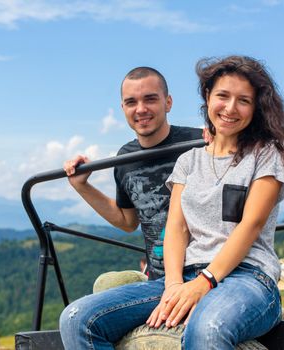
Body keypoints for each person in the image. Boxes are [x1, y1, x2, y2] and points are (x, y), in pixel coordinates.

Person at [59, 55, 284, 349]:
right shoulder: (188, 159)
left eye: (244, 100)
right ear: (208, 97)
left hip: (247, 276)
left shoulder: (265, 154)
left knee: (208, 328)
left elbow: (251, 224)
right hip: (184, 272)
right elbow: (176, 228)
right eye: (222, 96)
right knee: (77, 318)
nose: (230, 108)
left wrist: (205, 282)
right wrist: (174, 284)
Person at [63, 67, 202, 280]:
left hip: (204, 274)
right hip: (159, 281)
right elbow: (128, 222)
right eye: (131, 102)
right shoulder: (125, 159)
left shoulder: (200, 143)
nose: (141, 109)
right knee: (79, 312)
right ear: (123, 108)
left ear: (168, 102)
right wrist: (82, 186)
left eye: (150, 99)